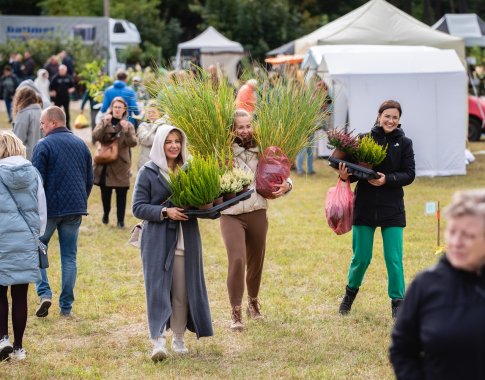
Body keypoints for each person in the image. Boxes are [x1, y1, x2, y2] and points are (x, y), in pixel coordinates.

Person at [132, 125, 213, 361]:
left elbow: (200, 201)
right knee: (157, 290)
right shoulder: (148, 171)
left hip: (185, 239)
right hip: (157, 239)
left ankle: (178, 337)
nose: (174, 145)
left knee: (182, 291)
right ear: (160, 144)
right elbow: (137, 207)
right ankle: (157, 341)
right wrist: (166, 212)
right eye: (169, 141)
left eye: (177, 141)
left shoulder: (188, 170)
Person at [390, 189, 485, 379]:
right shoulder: (425, 285)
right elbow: (401, 350)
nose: (457, 242)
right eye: (452, 232)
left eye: (468, 235)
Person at [337, 100, 415, 318]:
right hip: (365, 205)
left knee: (394, 258)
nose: (390, 120)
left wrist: (387, 179)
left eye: (395, 117)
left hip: (392, 208)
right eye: (387, 116)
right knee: (361, 257)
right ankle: (349, 295)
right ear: (379, 116)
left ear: (399, 120)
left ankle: (397, 302)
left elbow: (409, 174)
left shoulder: (405, 143)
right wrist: (344, 176)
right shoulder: (364, 140)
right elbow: (351, 171)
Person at [220, 109, 292, 331]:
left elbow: (282, 172)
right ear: (232, 129)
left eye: (248, 125)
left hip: (258, 210)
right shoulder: (221, 149)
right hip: (231, 213)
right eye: (239, 127)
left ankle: (253, 302)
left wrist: (288, 185)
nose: (244, 130)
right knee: (237, 260)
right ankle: (236, 312)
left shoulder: (264, 147)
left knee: (256, 260)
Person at [32, 106, 93, 318]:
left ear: (53, 122)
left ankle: (44, 293)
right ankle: (66, 307)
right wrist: (81, 199)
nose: (40, 127)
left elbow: (36, 181)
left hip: (48, 210)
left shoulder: (43, 145)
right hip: (75, 209)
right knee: (69, 257)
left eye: (42, 123)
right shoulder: (81, 144)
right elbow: (89, 178)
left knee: (35, 249)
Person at [0, 131, 47, 361]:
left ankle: (2, 339)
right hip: (27, 240)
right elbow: (42, 209)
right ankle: (19, 348)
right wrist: (37, 235)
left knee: (0, 294)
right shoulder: (33, 173)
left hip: (1, 241)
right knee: (20, 296)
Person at [93, 97, 137, 228]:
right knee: (105, 193)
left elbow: (133, 143)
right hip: (105, 163)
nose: (117, 110)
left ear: (124, 110)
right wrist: (104, 124)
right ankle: (106, 214)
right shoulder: (104, 121)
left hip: (121, 164)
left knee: (121, 194)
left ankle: (120, 221)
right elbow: (95, 136)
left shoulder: (128, 125)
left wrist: (126, 131)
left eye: (120, 107)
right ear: (111, 108)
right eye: (115, 107)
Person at [12, 86, 43, 160]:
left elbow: (17, 139)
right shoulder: (42, 112)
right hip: (41, 156)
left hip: (26, 159)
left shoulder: (24, 114)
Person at [136, 102, 167, 169]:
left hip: (161, 164)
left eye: (153, 112)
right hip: (145, 163)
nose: (151, 114)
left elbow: (166, 141)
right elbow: (145, 140)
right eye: (149, 113)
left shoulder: (165, 126)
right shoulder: (143, 126)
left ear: (160, 113)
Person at [49, 64, 75, 129]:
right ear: (59, 70)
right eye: (61, 70)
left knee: (67, 111)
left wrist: (71, 90)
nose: (62, 71)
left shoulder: (69, 77)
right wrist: (52, 92)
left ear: (66, 70)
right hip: (58, 98)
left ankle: (68, 126)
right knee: (56, 112)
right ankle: (55, 125)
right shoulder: (55, 78)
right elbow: (51, 87)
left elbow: (73, 87)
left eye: (63, 70)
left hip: (66, 97)